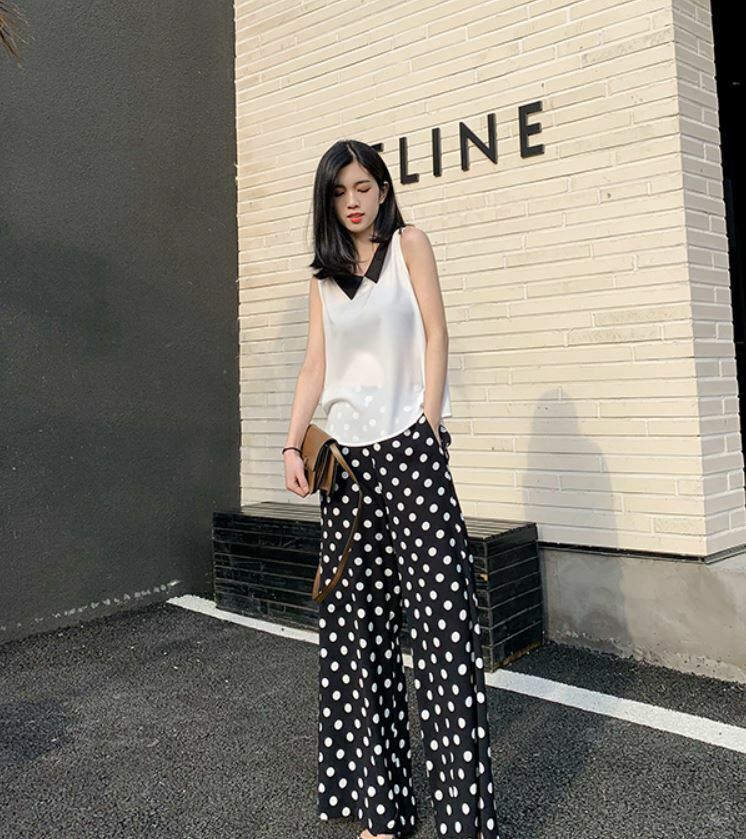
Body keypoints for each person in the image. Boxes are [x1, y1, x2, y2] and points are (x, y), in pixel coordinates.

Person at [282, 140, 501, 839]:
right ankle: (384, 814)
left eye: (363, 186)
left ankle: (465, 822)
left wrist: (428, 425)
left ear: (382, 188)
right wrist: (291, 442)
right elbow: (315, 366)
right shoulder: (323, 279)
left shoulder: (410, 246)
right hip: (347, 472)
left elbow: (437, 334)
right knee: (359, 640)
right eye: (339, 190)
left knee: (444, 635)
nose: (352, 201)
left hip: (411, 452)